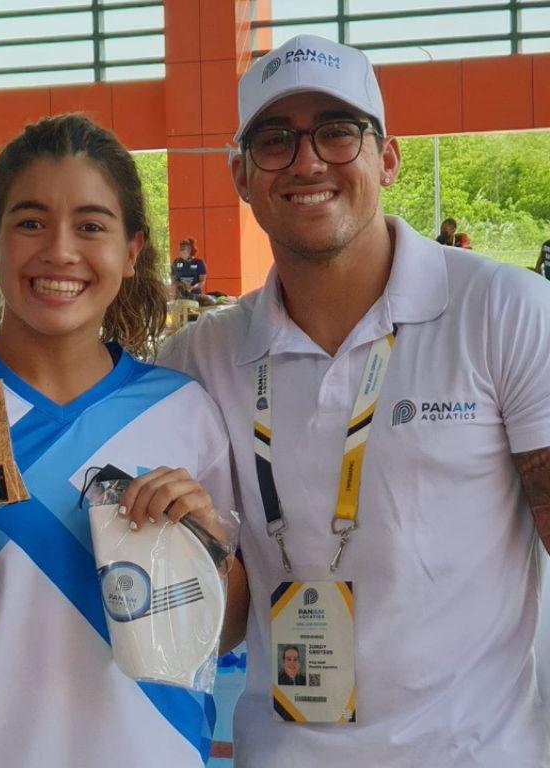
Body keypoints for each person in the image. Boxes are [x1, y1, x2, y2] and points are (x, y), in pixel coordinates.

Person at [159, 34, 550, 767]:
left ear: (388, 158)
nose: (307, 162)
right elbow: (217, 624)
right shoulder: (197, 359)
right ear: (240, 174)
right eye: (275, 140)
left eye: (338, 132)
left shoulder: (504, 313)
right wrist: (198, 546)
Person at [0, 114, 248, 768]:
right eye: (31, 222)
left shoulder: (184, 409)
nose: (60, 251)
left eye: (91, 226)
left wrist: (201, 551)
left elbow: (226, 632)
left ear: (132, 250)